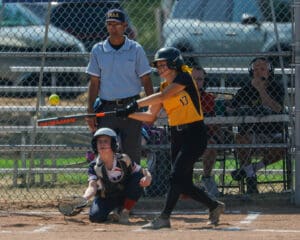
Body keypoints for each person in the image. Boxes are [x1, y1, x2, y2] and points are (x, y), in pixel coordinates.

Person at [116, 47, 225, 229]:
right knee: (184, 184)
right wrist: (128, 114)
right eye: (158, 66)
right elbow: (150, 117)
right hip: (177, 135)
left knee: (175, 177)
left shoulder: (184, 78)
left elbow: (164, 96)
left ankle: (164, 217)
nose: (160, 69)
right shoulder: (163, 86)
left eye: (163, 65)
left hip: (194, 134)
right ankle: (214, 206)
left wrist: (134, 104)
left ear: (174, 64)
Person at [85, 8, 154, 164]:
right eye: (109, 24)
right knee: (105, 151)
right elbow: (94, 82)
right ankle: (107, 187)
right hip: (107, 108)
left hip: (132, 106)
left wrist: (151, 108)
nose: (112, 28)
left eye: (116, 24)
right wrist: (90, 110)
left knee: (132, 153)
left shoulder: (135, 49)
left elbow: (146, 80)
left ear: (124, 26)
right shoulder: (98, 49)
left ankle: (133, 187)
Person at [226, 57, 285, 194]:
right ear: (251, 72)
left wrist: (260, 89)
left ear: (269, 72)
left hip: (272, 133)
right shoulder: (245, 90)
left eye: (263, 69)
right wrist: (235, 109)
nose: (258, 72)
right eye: (256, 69)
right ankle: (251, 178)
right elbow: (231, 109)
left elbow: (277, 108)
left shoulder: (276, 87)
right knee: (240, 138)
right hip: (251, 133)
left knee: (281, 146)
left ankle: (250, 170)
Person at [82, 127, 152, 224]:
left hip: (124, 195)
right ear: (95, 145)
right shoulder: (94, 166)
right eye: (99, 142)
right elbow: (92, 186)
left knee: (138, 177)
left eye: (106, 141)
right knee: (95, 217)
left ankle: (125, 211)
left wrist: (148, 177)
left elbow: (142, 171)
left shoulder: (123, 159)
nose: (102, 144)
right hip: (106, 197)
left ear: (114, 144)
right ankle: (114, 211)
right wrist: (84, 198)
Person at [192, 65, 221, 198]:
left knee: (211, 146)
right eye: (193, 79)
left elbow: (211, 124)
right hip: (182, 136)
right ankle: (185, 183)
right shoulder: (180, 96)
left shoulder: (208, 98)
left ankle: (207, 178)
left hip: (203, 135)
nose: (197, 82)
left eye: (200, 79)